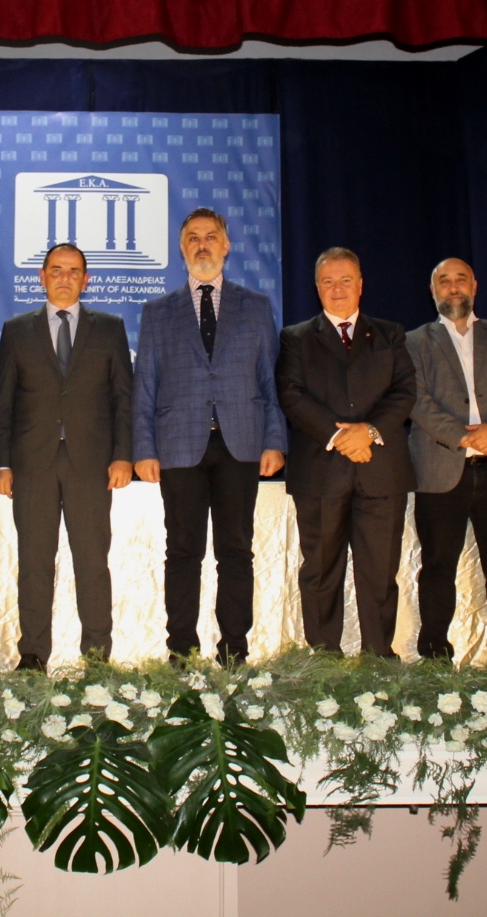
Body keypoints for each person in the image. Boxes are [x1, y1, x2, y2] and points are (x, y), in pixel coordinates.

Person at [133, 208, 287, 665]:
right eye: (193, 238)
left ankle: (234, 651)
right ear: (182, 248)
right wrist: (144, 448)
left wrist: (274, 440)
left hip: (242, 444)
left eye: (211, 236)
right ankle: (181, 651)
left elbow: (270, 380)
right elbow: (145, 386)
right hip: (178, 448)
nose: (203, 245)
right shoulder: (157, 313)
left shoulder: (255, 306)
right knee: (182, 552)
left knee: (236, 552)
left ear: (226, 245)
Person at [0, 243, 134, 668]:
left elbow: (124, 398)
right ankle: (33, 656)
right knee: (34, 563)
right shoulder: (17, 330)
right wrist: (2, 463)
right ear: (42, 277)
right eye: (56, 270)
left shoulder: (109, 328)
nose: (65, 278)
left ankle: (97, 658)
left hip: (91, 463)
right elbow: (3, 402)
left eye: (74, 271)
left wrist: (123, 455)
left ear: (86, 280)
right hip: (31, 464)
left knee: (92, 562)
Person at [275, 247, 416, 657]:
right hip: (321, 472)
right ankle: (324, 659)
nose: (337, 289)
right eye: (328, 281)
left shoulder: (390, 334)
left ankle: (379, 657)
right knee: (320, 572)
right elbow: (291, 395)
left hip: (381, 471)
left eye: (346, 280)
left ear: (361, 285)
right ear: (317, 288)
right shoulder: (296, 337)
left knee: (380, 573)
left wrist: (368, 432)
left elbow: (405, 391)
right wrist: (342, 439)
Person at [405, 257, 487, 665]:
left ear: (475, 286)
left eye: (460, 279)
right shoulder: (413, 341)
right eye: (443, 281)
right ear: (433, 291)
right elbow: (416, 400)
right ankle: (434, 658)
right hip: (440, 468)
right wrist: (462, 436)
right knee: (437, 568)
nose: (453, 287)